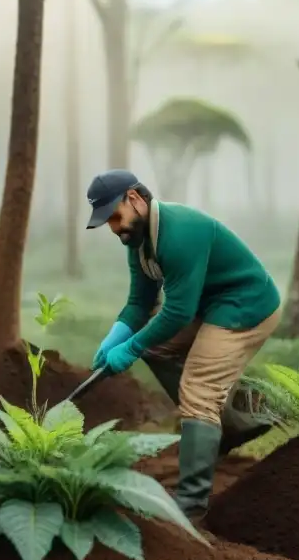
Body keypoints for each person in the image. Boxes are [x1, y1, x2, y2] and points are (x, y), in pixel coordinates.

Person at [85, 169, 282, 521]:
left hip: (245, 305)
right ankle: (234, 423)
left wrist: (130, 348)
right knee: (154, 346)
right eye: (107, 223)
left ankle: (191, 505)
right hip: (208, 306)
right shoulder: (140, 241)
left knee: (199, 388)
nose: (114, 228)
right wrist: (117, 335)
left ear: (134, 199)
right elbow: (140, 302)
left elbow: (177, 312)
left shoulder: (178, 233)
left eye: (114, 217)